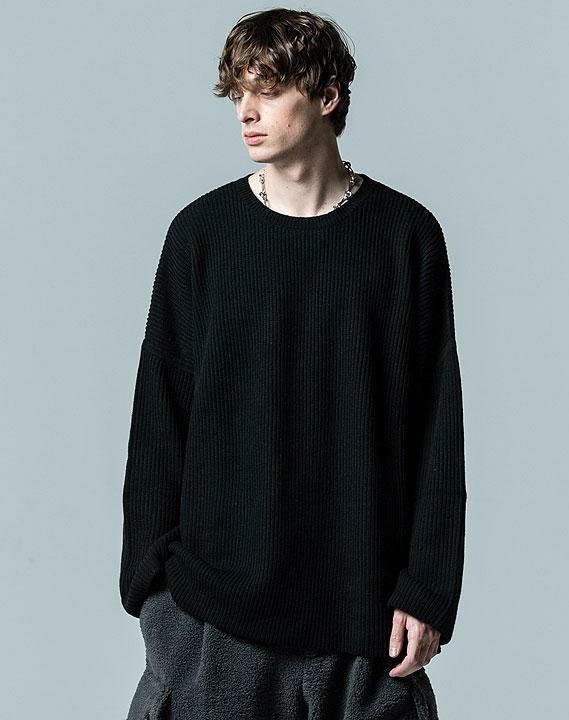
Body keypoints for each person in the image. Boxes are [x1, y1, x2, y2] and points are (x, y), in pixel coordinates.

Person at [120, 8, 466, 720]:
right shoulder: (203, 235)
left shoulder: (405, 237)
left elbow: (437, 424)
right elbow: (160, 414)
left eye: (268, 90)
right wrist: (155, 597)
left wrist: (429, 589)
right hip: (214, 624)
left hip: (367, 624)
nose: (246, 112)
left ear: (327, 96)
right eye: (238, 93)